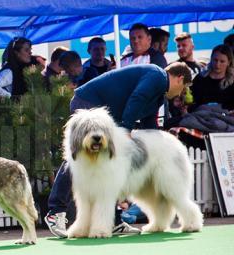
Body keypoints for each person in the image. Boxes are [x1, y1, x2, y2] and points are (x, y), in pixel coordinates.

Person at [44, 62, 192, 238]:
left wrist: (155, 144)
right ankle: (56, 210)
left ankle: (108, 222)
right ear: (180, 79)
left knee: (105, 174)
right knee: (78, 156)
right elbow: (137, 98)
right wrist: (127, 129)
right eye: (184, 88)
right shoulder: (158, 76)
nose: (182, 94)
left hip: (104, 109)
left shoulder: (159, 94)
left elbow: (148, 122)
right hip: (89, 104)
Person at [189, 44, 234, 111]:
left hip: (225, 119)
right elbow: (191, 102)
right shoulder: (200, 78)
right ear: (211, 59)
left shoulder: (232, 82)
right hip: (200, 117)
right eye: (215, 60)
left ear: (229, 62)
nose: (217, 65)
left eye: (222, 61)